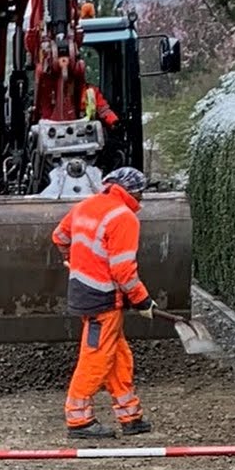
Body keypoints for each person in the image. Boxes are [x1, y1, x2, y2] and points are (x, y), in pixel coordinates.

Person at [50, 166, 154, 437]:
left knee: (118, 355)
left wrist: (74, 261)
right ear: (134, 192)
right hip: (103, 297)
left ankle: (131, 416)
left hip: (84, 291)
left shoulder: (86, 206)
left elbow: (59, 236)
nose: (141, 199)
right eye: (140, 193)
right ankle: (79, 420)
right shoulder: (124, 217)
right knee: (96, 357)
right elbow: (123, 270)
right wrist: (142, 300)